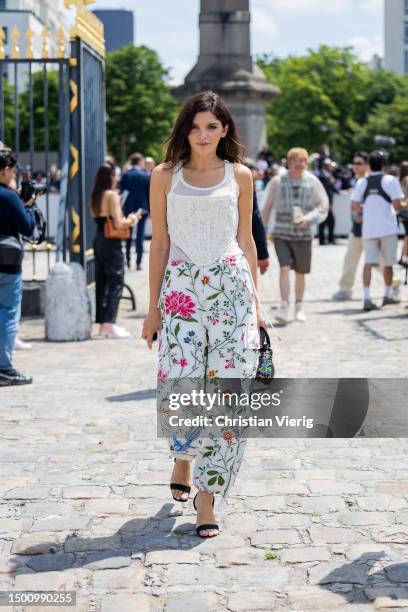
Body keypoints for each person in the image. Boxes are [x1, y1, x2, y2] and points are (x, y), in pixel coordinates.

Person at [142, 91, 267, 538]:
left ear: (225, 130)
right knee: (182, 380)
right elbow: (158, 243)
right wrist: (153, 307)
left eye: (211, 126)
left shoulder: (240, 175)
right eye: (195, 126)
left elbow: (247, 240)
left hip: (231, 288)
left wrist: (258, 304)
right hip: (180, 293)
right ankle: (182, 454)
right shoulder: (163, 176)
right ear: (185, 129)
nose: (202, 135)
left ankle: (208, 495)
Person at [262, 147, 329, 324]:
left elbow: (323, 206)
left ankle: (298, 307)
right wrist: (262, 232)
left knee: (300, 272)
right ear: (289, 162)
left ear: (306, 163)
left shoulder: (313, 182)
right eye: (295, 160)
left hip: (304, 234)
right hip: (281, 233)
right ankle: (284, 305)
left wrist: (310, 218)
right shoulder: (277, 181)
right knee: (284, 268)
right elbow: (267, 207)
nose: (299, 164)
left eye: (302, 161)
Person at [90, 164, 141, 339]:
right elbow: (119, 223)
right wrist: (133, 219)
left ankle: (103, 323)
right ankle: (109, 324)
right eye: (115, 175)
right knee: (116, 281)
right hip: (111, 242)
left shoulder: (95, 196)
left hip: (98, 239)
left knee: (102, 281)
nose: (117, 178)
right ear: (110, 176)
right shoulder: (111, 195)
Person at [351, 151, 404, 311]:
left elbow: (353, 205)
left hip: (369, 228)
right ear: (384, 165)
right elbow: (396, 205)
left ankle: (367, 298)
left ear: (369, 165)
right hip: (387, 228)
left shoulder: (362, 182)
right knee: (389, 263)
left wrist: (367, 209)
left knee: (368, 263)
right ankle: (387, 295)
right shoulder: (390, 180)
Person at [0, 152, 35, 386]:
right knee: (8, 314)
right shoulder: (9, 197)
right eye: (12, 171)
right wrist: (29, 207)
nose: (13, 175)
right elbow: (28, 228)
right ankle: (4, 368)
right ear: (4, 171)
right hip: (6, 266)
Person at [332, 152, 369, 301]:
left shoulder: (367, 181)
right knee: (350, 259)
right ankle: (345, 289)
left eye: (359, 163)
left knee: (379, 261)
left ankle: (393, 283)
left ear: (367, 165)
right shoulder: (356, 180)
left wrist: (362, 214)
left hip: (368, 228)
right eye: (354, 163)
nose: (355, 166)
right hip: (357, 228)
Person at [120, 153, 151, 271]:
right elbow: (149, 194)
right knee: (140, 236)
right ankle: (138, 262)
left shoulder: (125, 175)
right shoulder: (144, 175)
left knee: (128, 236)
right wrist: (149, 209)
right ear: (139, 162)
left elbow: (122, 192)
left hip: (128, 208)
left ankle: (127, 260)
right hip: (142, 209)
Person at [316, 158, 338, 245]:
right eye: (329, 165)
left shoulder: (329, 176)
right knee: (323, 221)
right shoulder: (321, 176)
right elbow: (323, 191)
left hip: (329, 202)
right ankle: (322, 240)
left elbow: (332, 189)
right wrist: (326, 203)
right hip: (323, 202)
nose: (331, 167)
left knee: (330, 221)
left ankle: (330, 239)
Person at [398, 161, 408, 268]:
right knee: (407, 236)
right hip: (407, 210)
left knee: (406, 235)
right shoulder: (407, 180)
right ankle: (404, 257)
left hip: (402, 211)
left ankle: (402, 257)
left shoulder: (400, 180)